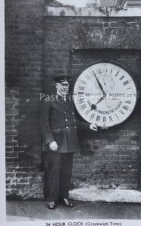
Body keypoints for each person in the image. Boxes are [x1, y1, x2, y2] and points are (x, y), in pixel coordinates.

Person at [40, 74, 98, 209]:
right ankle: (52, 199)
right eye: (63, 85)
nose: (66, 88)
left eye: (67, 85)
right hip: (56, 142)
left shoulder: (69, 101)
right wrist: (50, 141)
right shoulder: (49, 100)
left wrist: (88, 125)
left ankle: (64, 197)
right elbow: (44, 123)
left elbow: (73, 122)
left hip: (69, 142)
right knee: (54, 170)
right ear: (57, 86)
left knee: (66, 171)